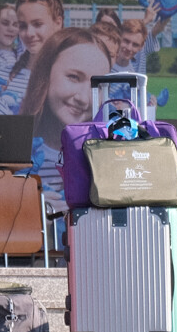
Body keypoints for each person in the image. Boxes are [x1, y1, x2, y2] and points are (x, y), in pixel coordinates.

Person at [18, 25, 116, 209]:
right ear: (45, 73)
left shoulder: (111, 154)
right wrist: (23, 208)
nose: (83, 98)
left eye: (97, 86)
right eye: (74, 77)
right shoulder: (9, 147)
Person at [4, 0, 68, 104]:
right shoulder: (5, 75)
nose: (29, 33)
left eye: (37, 24)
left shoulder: (70, 77)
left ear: (58, 23)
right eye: (23, 26)